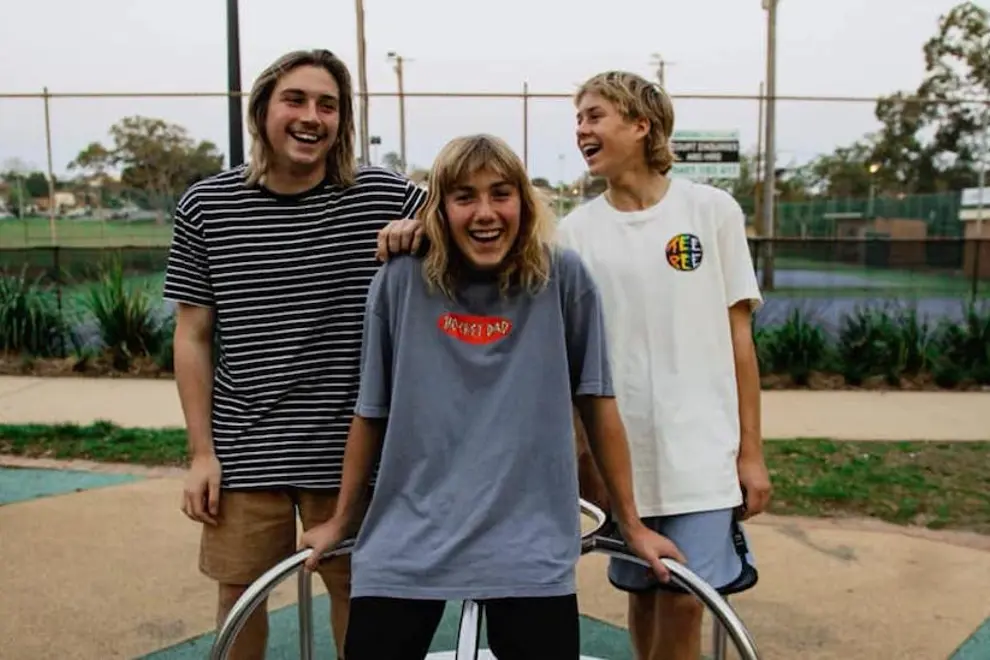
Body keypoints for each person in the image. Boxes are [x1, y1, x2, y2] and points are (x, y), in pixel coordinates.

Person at [300, 133, 685, 660]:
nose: (485, 213)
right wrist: (342, 521)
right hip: (408, 537)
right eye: (464, 197)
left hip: (527, 543)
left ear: (524, 202)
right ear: (440, 209)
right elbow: (371, 412)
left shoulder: (562, 279)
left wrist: (632, 524)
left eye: (501, 193)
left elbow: (598, 405)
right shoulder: (400, 281)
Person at [163, 49, 426, 660]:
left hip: (351, 447)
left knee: (361, 592)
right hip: (245, 445)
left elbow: (471, 213)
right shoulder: (207, 205)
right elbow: (193, 335)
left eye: (328, 105)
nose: (312, 116)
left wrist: (425, 227)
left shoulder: (381, 195)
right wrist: (201, 453)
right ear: (263, 110)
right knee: (240, 596)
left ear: (342, 120)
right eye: (296, 100)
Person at [557, 70, 773, 660]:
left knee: (683, 599)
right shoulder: (574, 234)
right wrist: (584, 457)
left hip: (702, 456)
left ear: (640, 124)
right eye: (578, 119)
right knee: (646, 593)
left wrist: (751, 453)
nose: (581, 130)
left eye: (595, 116)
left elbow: (740, 340)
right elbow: (572, 362)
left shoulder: (711, 211)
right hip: (621, 458)